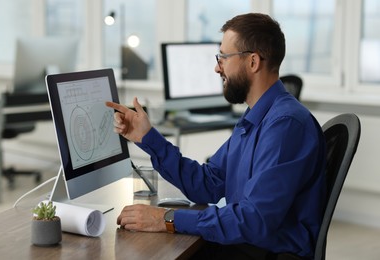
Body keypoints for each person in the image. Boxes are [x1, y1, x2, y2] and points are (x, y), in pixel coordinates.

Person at [106, 13, 326, 260]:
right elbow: (208, 183)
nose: (216, 66)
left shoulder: (285, 126)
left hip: (266, 253)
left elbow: (254, 220)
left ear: (253, 62)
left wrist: (167, 218)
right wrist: (147, 137)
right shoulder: (255, 117)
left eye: (223, 57)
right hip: (248, 245)